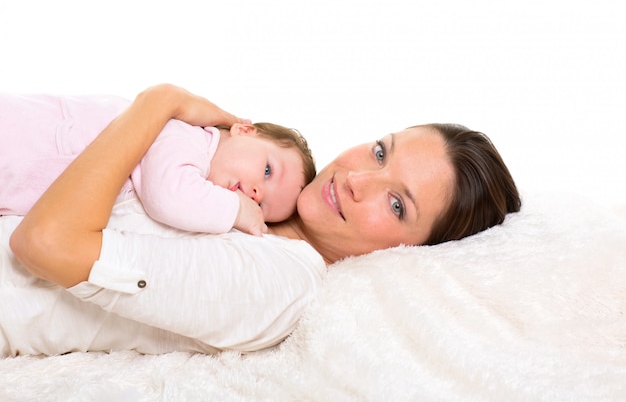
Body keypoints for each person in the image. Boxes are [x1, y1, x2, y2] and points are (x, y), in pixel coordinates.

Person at [2, 84, 521, 357]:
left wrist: (160, 102)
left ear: (412, 252)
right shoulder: (253, 191)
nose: (360, 179)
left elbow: (45, 242)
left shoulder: (278, 280)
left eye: (397, 205)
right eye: (381, 152)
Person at [0, 93, 316, 236]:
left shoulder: (199, 170)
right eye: (267, 171)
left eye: (264, 205)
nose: (257, 192)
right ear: (244, 130)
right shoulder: (184, 136)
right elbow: (169, 196)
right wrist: (238, 210)